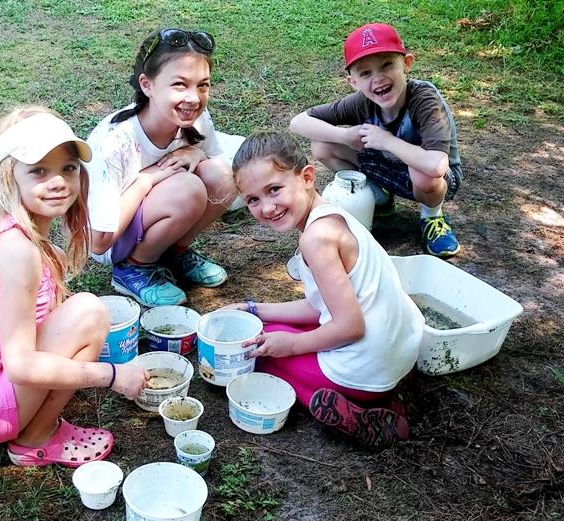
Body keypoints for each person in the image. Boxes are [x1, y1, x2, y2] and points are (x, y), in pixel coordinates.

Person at [0, 106, 149, 468]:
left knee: (81, 312)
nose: (58, 181)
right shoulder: (18, 252)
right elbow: (21, 366)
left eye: (68, 168)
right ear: (7, 179)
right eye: (39, 171)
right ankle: (35, 440)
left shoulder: (19, 237)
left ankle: (30, 417)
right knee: (89, 313)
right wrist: (112, 375)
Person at [228, 132, 424, 448]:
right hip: (400, 353)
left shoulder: (316, 239)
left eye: (274, 190)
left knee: (254, 349)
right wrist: (251, 308)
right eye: (253, 199)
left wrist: (290, 345)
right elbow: (320, 306)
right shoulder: (331, 214)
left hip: (367, 372)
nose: (266, 207)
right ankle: (397, 393)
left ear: (306, 177)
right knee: (263, 329)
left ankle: (364, 415)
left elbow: (349, 326)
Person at [86, 28, 237, 307]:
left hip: (155, 212)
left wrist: (197, 154)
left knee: (222, 176)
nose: (193, 98)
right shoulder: (115, 142)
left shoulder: (194, 120)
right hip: (111, 239)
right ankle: (133, 269)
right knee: (188, 188)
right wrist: (147, 179)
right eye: (180, 84)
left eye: (202, 85)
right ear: (147, 85)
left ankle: (173, 253)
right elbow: (97, 241)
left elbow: (224, 169)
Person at [290, 22, 462, 258]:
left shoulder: (424, 99)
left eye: (387, 65)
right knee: (323, 144)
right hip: (390, 166)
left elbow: (437, 165)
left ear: (407, 64)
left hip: (436, 179)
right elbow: (298, 122)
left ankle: (432, 217)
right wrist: (346, 136)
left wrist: (386, 140)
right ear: (353, 82)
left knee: (423, 171)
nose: (378, 79)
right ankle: (378, 198)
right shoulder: (362, 102)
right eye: (365, 73)